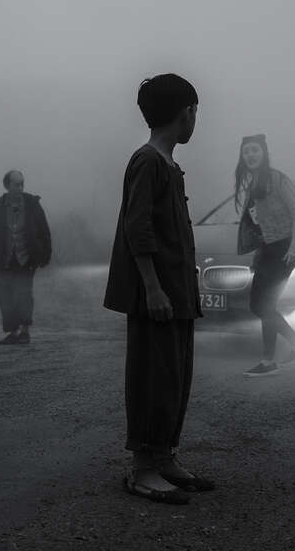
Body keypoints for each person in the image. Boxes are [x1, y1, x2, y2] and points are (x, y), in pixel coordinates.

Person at [104, 73, 213, 505]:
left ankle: (165, 456)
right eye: (195, 112)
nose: (195, 120)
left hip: (176, 295)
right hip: (158, 297)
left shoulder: (168, 163)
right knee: (152, 378)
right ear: (184, 113)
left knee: (174, 377)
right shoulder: (148, 161)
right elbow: (138, 228)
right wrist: (152, 288)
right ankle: (143, 470)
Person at [235, 134, 295, 377]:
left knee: (264, 305)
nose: (250, 155)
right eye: (246, 151)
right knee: (260, 305)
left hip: (284, 249)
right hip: (268, 250)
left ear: (264, 152)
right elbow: (259, 226)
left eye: (255, 150)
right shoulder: (253, 183)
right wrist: (257, 256)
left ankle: (271, 360)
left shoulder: (278, 179)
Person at [0, 170, 52, 344]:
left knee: (24, 294)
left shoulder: (32, 205)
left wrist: (46, 254)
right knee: (6, 296)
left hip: (26, 258)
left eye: (22, 184)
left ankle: (24, 331)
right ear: (7, 186)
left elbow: (44, 231)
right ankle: (13, 332)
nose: (20, 188)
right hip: (4, 258)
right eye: (16, 184)